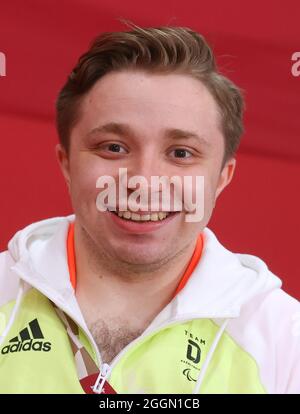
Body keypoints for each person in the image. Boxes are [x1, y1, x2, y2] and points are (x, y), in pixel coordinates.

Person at [0, 23, 299, 394]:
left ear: (222, 177)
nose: (144, 181)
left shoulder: (287, 343)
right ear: (67, 164)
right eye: (113, 147)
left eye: (180, 153)